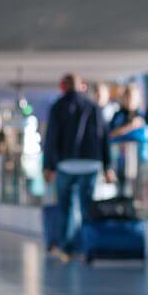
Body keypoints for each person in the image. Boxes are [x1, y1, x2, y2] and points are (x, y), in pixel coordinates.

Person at [44, 73, 114, 262]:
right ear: (82, 86)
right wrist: (108, 166)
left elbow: (51, 138)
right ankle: (87, 247)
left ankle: (67, 249)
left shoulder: (57, 107)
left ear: (63, 86)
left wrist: (49, 166)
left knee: (65, 207)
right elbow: (103, 136)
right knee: (87, 208)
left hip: (65, 164)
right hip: (91, 164)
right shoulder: (93, 107)